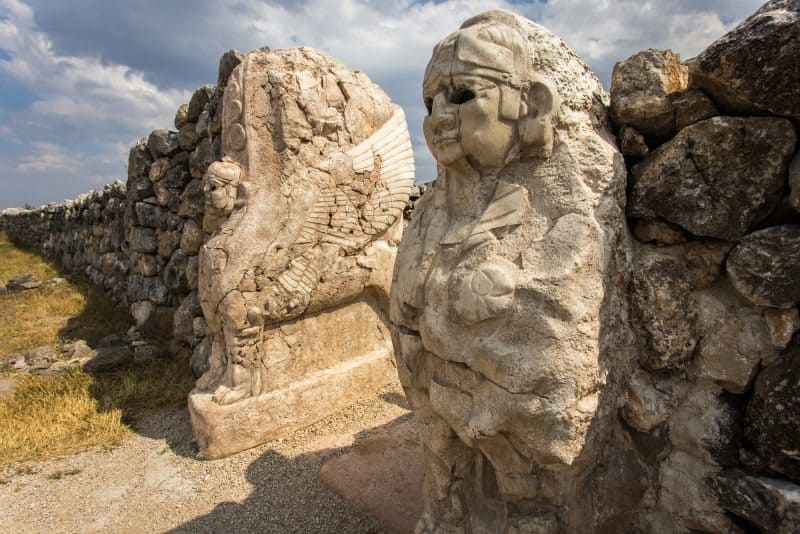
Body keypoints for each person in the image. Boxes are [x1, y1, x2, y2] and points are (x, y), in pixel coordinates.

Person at [390, 10, 629, 533]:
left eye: (463, 95)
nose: (439, 117)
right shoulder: (433, 213)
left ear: (531, 103)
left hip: (510, 420)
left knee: (531, 497)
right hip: (444, 407)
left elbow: (555, 337)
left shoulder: (563, 212)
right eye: (430, 103)